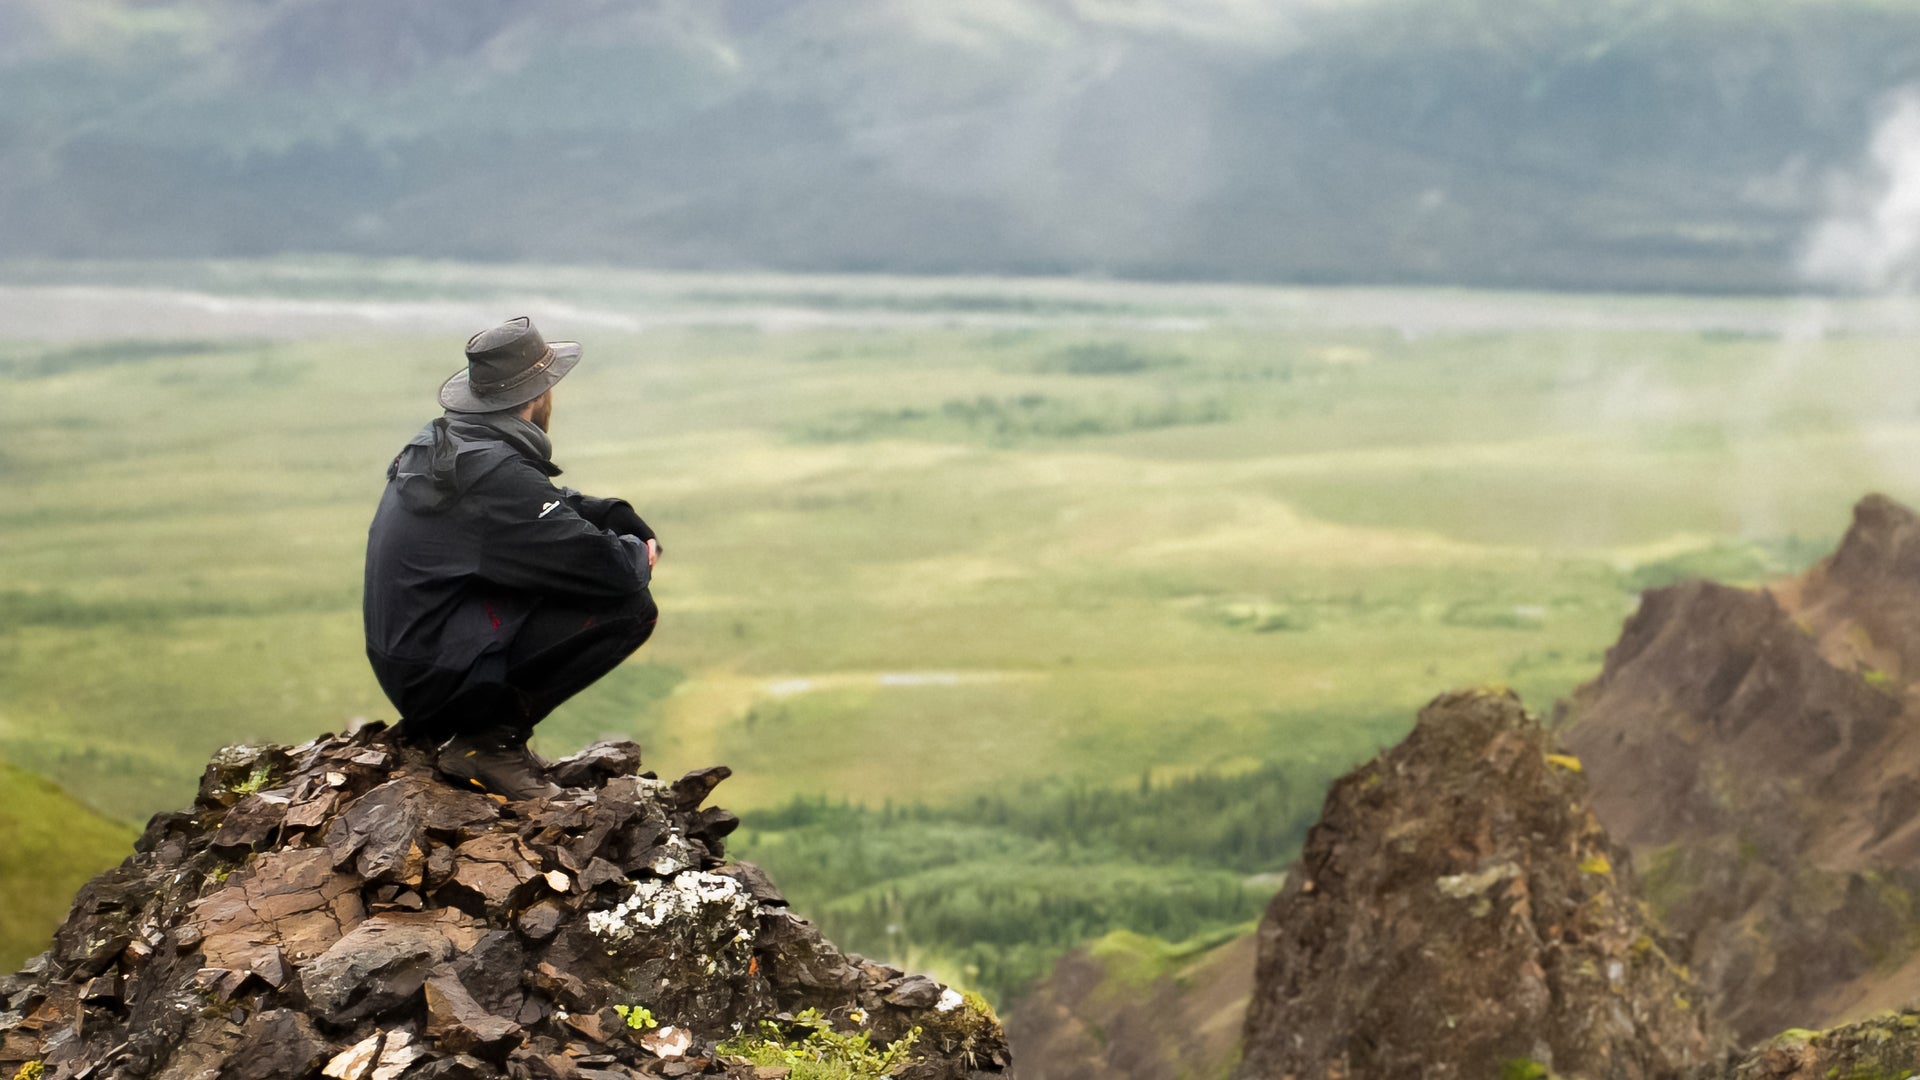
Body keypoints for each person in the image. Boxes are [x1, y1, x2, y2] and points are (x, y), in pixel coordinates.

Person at [363, 316, 660, 799]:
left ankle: (473, 731)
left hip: (412, 664)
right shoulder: (494, 474)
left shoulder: (448, 446)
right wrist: (637, 552)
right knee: (631, 607)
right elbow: (612, 574)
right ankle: (485, 744)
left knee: (555, 574)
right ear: (538, 395)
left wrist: (615, 514)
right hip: (436, 680)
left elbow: (541, 505)